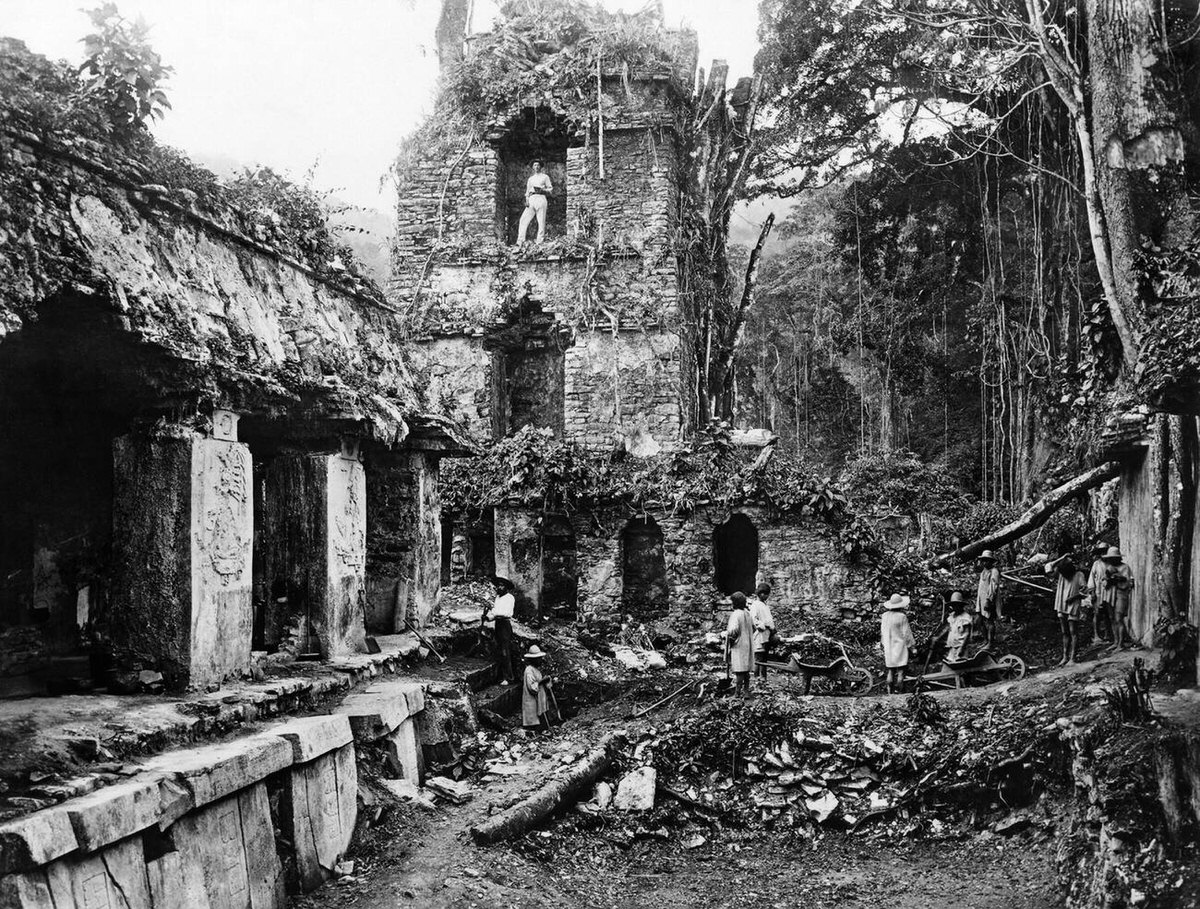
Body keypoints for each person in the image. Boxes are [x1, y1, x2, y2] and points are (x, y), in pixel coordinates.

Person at [1046, 553, 1087, 666]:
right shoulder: (1060, 574)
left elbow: (1085, 591)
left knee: (1073, 631)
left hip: (1073, 604)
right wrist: (1061, 558)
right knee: (1065, 632)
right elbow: (1048, 568)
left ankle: (1073, 658)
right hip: (1061, 605)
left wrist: (1074, 597)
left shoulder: (1079, 575)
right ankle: (1065, 657)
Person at [880, 593, 916, 694]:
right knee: (901, 671)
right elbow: (907, 634)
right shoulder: (902, 617)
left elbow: (882, 632)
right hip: (900, 647)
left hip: (888, 647)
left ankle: (889, 693)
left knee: (890, 671)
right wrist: (912, 647)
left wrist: (884, 644)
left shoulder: (884, 616)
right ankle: (900, 693)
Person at [485, 576, 517, 685]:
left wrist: (493, 611)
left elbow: (506, 613)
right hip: (498, 624)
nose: (499, 587)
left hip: (505, 625)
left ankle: (509, 677)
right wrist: (488, 617)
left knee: (505, 651)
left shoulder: (510, 598)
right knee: (498, 650)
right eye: (498, 585)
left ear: (506, 587)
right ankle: (500, 676)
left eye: (502, 585)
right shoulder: (498, 598)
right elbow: (495, 613)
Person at [1102, 546, 1135, 651]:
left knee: (1118, 618)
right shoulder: (1109, 567)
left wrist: (1116, 577)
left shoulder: (1125, 567)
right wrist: (1107, 580)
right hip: (1110, 594)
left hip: (1121, 593)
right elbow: (1104, 581)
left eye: (1113, 558)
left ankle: (1121, 643)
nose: (1111, 560)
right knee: (1112, 618)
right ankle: (1116, 641)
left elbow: (1127, 582)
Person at [725, 591, 756, 697]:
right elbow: (754, 627)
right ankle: (746, 691)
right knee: (746, 670)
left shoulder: (736, 614)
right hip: (748, 644)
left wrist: (727, 635)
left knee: (739, 670)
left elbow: (733, 631)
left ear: (735, 603)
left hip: (739, 645)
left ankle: (737, 693)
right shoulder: (747, 613)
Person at [516, 160, 553, 244]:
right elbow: (527, 191)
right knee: (523, 219)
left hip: (541, 197)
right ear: (533, 167)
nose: (536, 167)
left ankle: (540, 241)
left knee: (541, 221)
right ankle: (520, 241)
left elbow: (550, 189)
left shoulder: (545, 177)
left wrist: (543, 190)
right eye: (535, 165)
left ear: (541, 167)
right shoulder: (531, 179)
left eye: (538, 165)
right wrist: (527, 200)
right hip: (532, 198)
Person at [1085, 542, 1112, 643]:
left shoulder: (1111, 564)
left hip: (1109, 592)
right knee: (1097, 614)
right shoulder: (1096, 564)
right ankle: (1096, 635)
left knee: (1108, 614)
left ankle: (1107, 634)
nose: (1103, 554)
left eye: (1105, 551)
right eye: (1102, 552)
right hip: (1098, 592)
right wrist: (1092, 592)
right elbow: (1091, 579)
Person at [521, 645, 552, 733]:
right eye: (538, 659)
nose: (540, 660)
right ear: (533, 659)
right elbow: (531, 687)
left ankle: (542, 729)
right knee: (533, 718)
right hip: (532, 699)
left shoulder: (536, 669)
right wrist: (542, 681)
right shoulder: (529, 670)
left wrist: (546, 681)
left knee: (540, 715)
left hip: (538, 697)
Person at [749, 582, 776, 681]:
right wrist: (764, 626)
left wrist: (772, 628)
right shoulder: (755, 605)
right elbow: (754, 620)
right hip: (760, 634)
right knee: (759, 657)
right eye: (766, 594)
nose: (767, 597)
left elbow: (769, 619)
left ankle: (763, 678)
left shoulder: (765, 605)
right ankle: (756, 677)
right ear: (761, 594)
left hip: (767, 634)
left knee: (764, 657)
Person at [975, 550, 1003, 646]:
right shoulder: (984, 571)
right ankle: (985, 640)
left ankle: (990, 642)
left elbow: (993, 587)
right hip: (981, 599)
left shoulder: (994, 571)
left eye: (987, 560)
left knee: (989, 620)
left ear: (991, 561)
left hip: (989, 600)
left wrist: (988, 600)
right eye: (983, 560)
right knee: (979, 620)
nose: (984, 562)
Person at [940, 591, 973, 664]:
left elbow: (967, 634)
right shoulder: (952, 616)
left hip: (961, 646)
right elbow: (950, 629)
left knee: (960, 663)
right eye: (953, 605)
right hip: (953, 645)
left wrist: (962, 648)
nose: (955, 607)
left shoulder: (965, 617)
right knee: (951, 662)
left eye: (957, 605)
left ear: (961, 606)